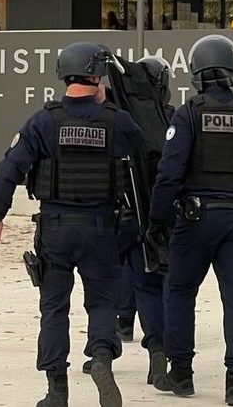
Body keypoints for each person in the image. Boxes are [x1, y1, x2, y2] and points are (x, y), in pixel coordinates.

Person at [0, 42, 145, 407]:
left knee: (54, 306)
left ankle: (56, 390)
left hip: (55, 227)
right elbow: (146, 159)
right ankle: (101, 358)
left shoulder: (44, 120)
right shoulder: (116, 120)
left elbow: (10, 169)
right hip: (102, 227)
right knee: (103, 302)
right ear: (97, 77)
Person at [147, 34, 233, 406]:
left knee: (179, 293)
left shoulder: (189, 112)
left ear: (196, 73)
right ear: (232, 70)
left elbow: (169, 171)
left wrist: (156, 219)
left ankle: (181, 374)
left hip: (195, 219)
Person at [82, 55, 176, 388]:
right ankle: (158, 358)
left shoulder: (106, 117)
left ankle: (101, 353)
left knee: (103, 287)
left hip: (107, 216)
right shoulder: (165, 118)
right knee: (150, 286)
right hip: (144, 215)